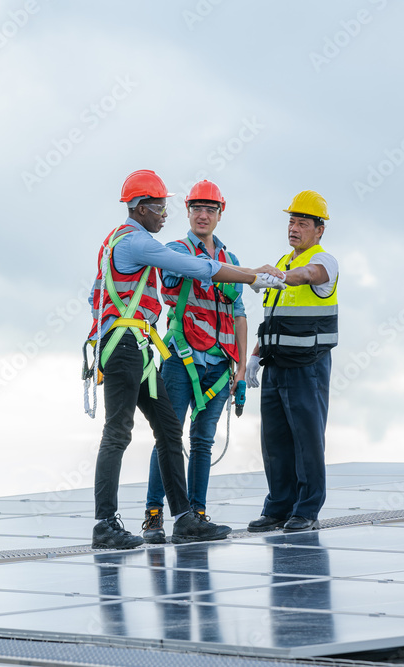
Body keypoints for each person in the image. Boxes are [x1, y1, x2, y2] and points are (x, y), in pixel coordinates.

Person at [89, 169, 285, 549]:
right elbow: (199, 268)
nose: (166, 213)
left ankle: (184, 519)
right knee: (118, 433)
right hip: (127, 346)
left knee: (167, 431)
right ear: (141, 207)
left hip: (140, 347)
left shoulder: (123, 239)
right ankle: (105, 523)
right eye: (161, 205)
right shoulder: (137, 243)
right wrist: (252, 276)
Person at [142, 180, 247, 544]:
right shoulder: (175, 250)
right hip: (181, 359)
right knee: (168, 438)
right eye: (197, 208)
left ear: (220, 213)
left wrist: (242, 369)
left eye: (210, 209)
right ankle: (155, 513)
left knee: (203, 440)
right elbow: (182, 273)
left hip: (219, 364)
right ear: (188, 211)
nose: (203, 215)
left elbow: (239, 312)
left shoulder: (231, 261)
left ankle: (197, 514)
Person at [245, 190, 338, 533]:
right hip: (275, 364)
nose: (294, 228)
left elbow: (310, 275)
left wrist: (281, 277)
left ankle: (307, 509)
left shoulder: (324, 260)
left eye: (302, 222)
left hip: (307, 366)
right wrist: (255, 356)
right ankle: (279, 507)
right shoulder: (282, 264)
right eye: (291, 221)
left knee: (307, 438)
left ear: (319, 229)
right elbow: (273, 318)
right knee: (275, 440)